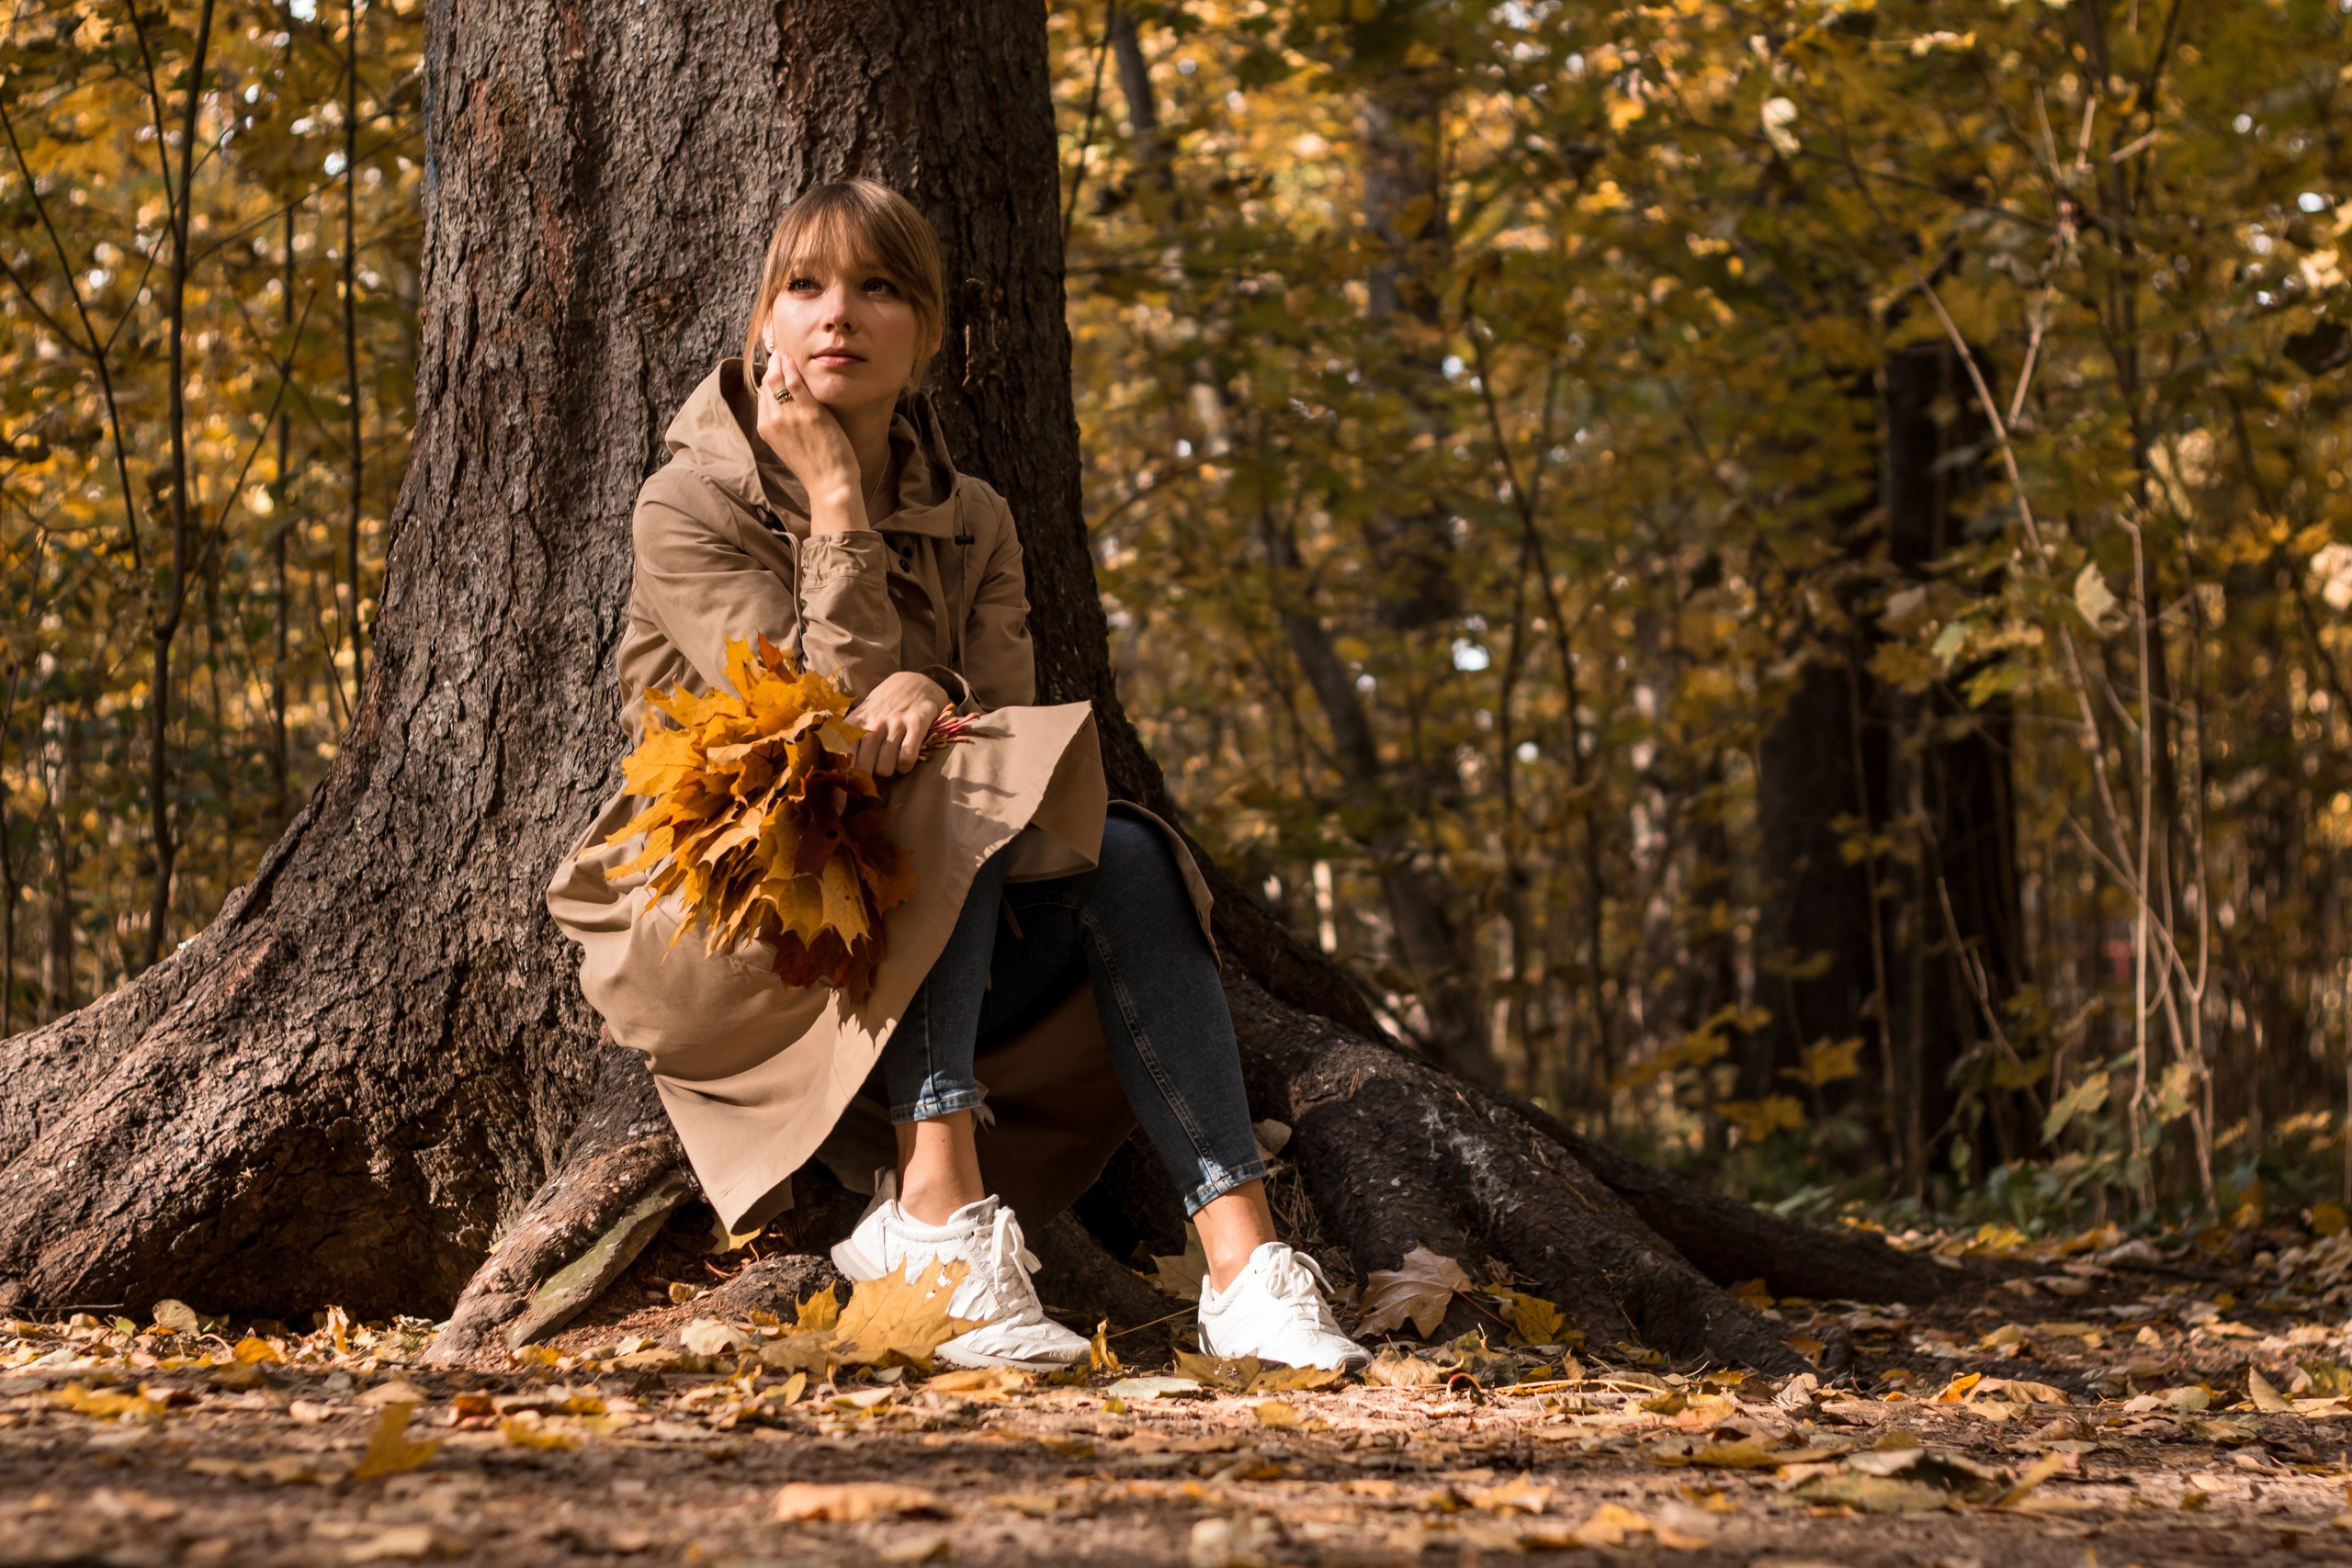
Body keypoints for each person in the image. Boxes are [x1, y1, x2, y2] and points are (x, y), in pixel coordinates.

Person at [546, 179, 1365, 1373]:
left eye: (880, 287)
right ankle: (934, 1210)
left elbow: (1016, 737)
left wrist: (936, 699)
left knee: (1129, 855)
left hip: (927, 927)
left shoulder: (974, 517)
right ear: (763, 325)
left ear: (927, 334)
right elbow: (800, 731)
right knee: (959, 787)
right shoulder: (691, 503)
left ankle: (1243, 1262)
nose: (840, 314)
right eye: (805, 287)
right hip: (740, 933)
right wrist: (832, 501)